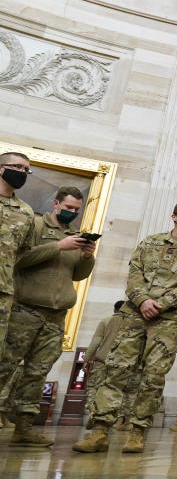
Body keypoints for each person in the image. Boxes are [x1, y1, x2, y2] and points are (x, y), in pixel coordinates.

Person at [73, 199, 177, 454]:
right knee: (116, 371)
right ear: (174, 216)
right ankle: (101, 431)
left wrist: (159, 304)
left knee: (154, 376)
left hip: (167, 320)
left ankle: (137, 432)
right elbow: (134, 274)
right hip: (134, 314)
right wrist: (143, 300)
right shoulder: (150, 242)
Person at [0, 186, 95, 447]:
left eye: (77, 209)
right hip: (25, 310)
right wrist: (57, 246)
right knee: (5, 366)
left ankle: (24, 428)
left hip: (56, 315)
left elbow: (77, 275)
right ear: (56, 203)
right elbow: (18, 259)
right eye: (68, 207)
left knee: (37, 372)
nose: (72, 212)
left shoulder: (75, 236)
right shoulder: (36, 224)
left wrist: (87, 257)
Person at [0, 152, 35, 354]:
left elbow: (22, 250)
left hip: (3, 291)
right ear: (1, 168)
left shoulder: (25, 212)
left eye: (26, 169)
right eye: (18, 167)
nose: (22, 172)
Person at [83, 301, 126, 424]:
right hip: (120, 363)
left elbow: (96, 342)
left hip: (102, 362)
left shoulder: (106, 321)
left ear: (114, 309)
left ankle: (92, 409)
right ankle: (109, 419)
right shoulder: (130, 323)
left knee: (93, 387)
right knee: (114, 390)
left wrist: (86, 359)